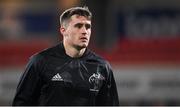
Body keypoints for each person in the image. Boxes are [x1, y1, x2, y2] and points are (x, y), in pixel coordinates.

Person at [12, 6, 119, 106]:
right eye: (78, 26)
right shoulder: (40, 61)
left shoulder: (102, 67)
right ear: (63, 31)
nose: (84, 31)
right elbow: (21, 103)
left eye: (88, 27)